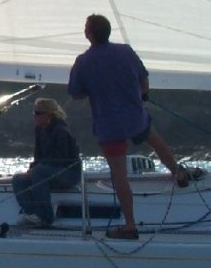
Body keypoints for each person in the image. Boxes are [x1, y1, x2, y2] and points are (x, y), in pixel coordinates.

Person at [68, 13, 190, 240]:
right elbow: (143, 80)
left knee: (119, 174)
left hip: (109, 124)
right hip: (135, 116)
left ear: (90, 34)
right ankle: (178, 172)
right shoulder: (126, 51)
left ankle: (130, 225)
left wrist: (94, 87)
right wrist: (142, 95)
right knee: (154, 139)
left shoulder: (83, 62)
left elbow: (76, 94)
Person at [12, 98, 82, 227]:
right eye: (34, 113)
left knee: (39, 172)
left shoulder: (61, 131)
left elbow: (62, 159)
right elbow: (37, 156)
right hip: (47, 170)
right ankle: (32, 213)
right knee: (18, 179)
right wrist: (31, 170)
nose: (35, 116)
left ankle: (46, 216)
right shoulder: (39, 130)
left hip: (68, 173)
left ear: (49, 114)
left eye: (38, 113)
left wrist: (37, 169)